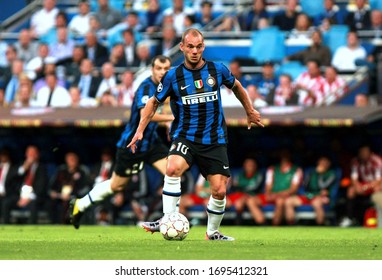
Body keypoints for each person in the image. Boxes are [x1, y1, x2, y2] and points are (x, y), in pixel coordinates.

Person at [127, 28, 264, 241]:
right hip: (185, 136)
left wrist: (249, 110)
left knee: (219, 190)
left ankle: (212, 233)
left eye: (198, 46)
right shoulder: (173, 76)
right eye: (190, 46)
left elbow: (236, 86)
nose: (194, 51)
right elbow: (153, 102)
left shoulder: (217, 70)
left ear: (203, 47)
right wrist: (140, 130)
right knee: (172, 168)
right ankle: (167, 219)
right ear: (182, 47)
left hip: (214, 139)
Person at [69, 55, 174, 229]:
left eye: (166, 69)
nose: (163, 72)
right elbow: (145, 115)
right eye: (159, 68)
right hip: (132, 144)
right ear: (152, 70)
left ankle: (170, 218)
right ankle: (81, 204)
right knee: (117, 185)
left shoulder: (166, 87)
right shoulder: (146, 87)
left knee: (172, 171)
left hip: (152, 143)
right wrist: (171, 118)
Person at [246, 149, 303, 226]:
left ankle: (274, 226)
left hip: (286, 197)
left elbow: (293, 189)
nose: (284, 157)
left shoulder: (296, 170)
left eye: (286, 155)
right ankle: (263, 224)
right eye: (282, 155)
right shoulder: (272, 169)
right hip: (272, 196)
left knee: (280, 201)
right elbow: (268, 186)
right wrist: (269, 194)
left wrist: (277, 195)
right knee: (251, 201)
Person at [284, 156, 337, 225]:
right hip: (309, 195)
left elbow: (323, 186)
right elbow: (305, 186)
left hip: (321, 197)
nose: (323, 164)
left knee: (317, 204)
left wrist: (320, 174)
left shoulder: (332, 174)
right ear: (318, 162)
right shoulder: (311, 172)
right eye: (322, 161)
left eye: (326, 162)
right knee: (288, 201)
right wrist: (315, 173)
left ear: (329, 164)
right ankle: (291, 225)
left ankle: (320, 227)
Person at [339, 145, 382, 227]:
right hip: (363, 184)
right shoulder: (355, 161)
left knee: (378, 189)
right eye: (362, 152)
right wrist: (357, 186)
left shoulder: (377, 161)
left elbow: (379, 179)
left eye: (365, 152)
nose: (363, 154)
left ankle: (377, 217)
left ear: (370, 153)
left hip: (375, 184)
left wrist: (368, 186)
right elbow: (354, 178)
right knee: (351, 190)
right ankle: (349, 218)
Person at [226, 157, 264, 225]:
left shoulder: (259, 175)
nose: (248, 167)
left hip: (254, 196)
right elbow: (234, 187)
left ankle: (262, 224)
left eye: (250, 165)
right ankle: (237, 224)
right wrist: (242, 190)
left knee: (249, 201)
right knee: (238, 203)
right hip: (240, 196)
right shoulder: (239, 176)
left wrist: (242, 189)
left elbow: (255, 188)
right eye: (247, 165)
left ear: (255, 166)